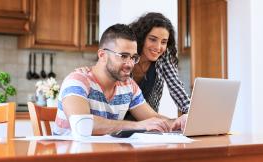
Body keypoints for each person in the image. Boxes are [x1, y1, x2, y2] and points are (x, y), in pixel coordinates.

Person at [54, 24, 187, 136]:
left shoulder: (128, 86)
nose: (130, 64)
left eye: (133, 57)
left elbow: (153, 119)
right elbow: (81, 124)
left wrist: (178, 122)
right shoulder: (77, 81)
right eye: (123, 56)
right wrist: (137, 126)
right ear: (102, 55)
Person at [77, 12, 191, 120]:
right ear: (142, 37)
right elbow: (106, 67)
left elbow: (177, 89)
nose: (158, 47)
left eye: (164, 42)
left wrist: (192, 115)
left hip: (148, 121)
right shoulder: (125, 58)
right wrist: (88, 73)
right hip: (119, 122)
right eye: (152, 39)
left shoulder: (163, 58)